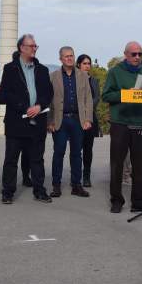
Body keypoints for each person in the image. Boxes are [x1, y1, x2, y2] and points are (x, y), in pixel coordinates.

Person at [0, 34, 54, 204]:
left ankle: (39, 190)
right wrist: (24, 106)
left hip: (37, 123)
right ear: (22, 48)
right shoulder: (10, 69)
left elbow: (48, 93)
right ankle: (8, 192)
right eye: (31, 46)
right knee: (11, 160)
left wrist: (39, 106)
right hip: (16, 123)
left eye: (36, 46)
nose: (34, 49)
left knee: (37, 159)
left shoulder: (43, 70)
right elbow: (2, 96)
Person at [102, 41, 142, 213]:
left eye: (140, 54)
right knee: (117, 165)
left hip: (140, 123)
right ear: (126, 54)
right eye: (134, 54)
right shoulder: (115, 72)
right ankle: (116, 200)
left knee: (139, 167)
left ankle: (138, 201)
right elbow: (106, 95)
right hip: (120, 124)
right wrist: (126, 94)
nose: (137, 57)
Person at [48, 47, 94, 198]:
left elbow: (88, 98)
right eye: (66, 56)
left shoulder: (82, 76)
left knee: (76, 154)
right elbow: (48, 101)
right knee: (58, 153)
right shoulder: (53, 76)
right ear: (60, 58)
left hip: (77, 120)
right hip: (59, 121)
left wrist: (88, 119)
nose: (69, 58)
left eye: (71, 56)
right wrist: (50, 121)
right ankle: (56, 185)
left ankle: (76, 185)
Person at [77, 54, 101, 187]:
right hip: (76, 119)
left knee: (87, 149)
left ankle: (86, 176)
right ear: (78, 65)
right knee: (76, 150)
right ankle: (76, 176)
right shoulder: (74, 80)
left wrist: (86, 109)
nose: (87, 66)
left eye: (88, 64)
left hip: (90, 119)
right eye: (84, 63)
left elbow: (97, 98)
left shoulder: (94, 81)